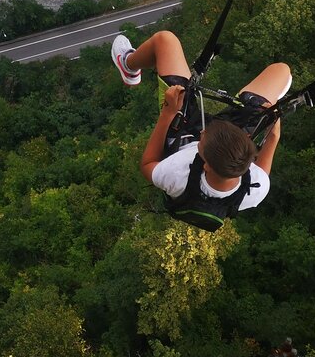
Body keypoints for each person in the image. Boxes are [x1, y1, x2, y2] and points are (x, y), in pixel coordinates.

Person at [112, 30, 291, 227]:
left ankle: (128, 65)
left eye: (203, 139)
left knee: (165, 40)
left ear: (204, 164)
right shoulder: (255, 187)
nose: (204, 131)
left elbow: (147, 165)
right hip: (231, 135)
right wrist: (273, 134)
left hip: (183, 134)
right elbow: (263, 172)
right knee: (281, 71)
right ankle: (248, 110)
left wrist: (168, 114)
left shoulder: (177, 173)